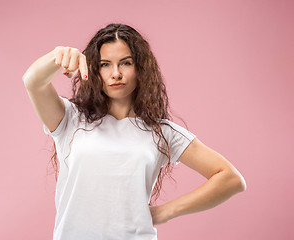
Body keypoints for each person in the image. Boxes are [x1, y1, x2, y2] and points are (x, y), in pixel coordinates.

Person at [22, 23, 246, 240]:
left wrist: (165, 212)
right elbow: (33, 81)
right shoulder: (71, 118)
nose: (116, 73)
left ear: (140, 68)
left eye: (126, 63)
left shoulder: (162, 132)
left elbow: (230, 179)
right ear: (94, 69)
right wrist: (58, 56)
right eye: (105, 64)